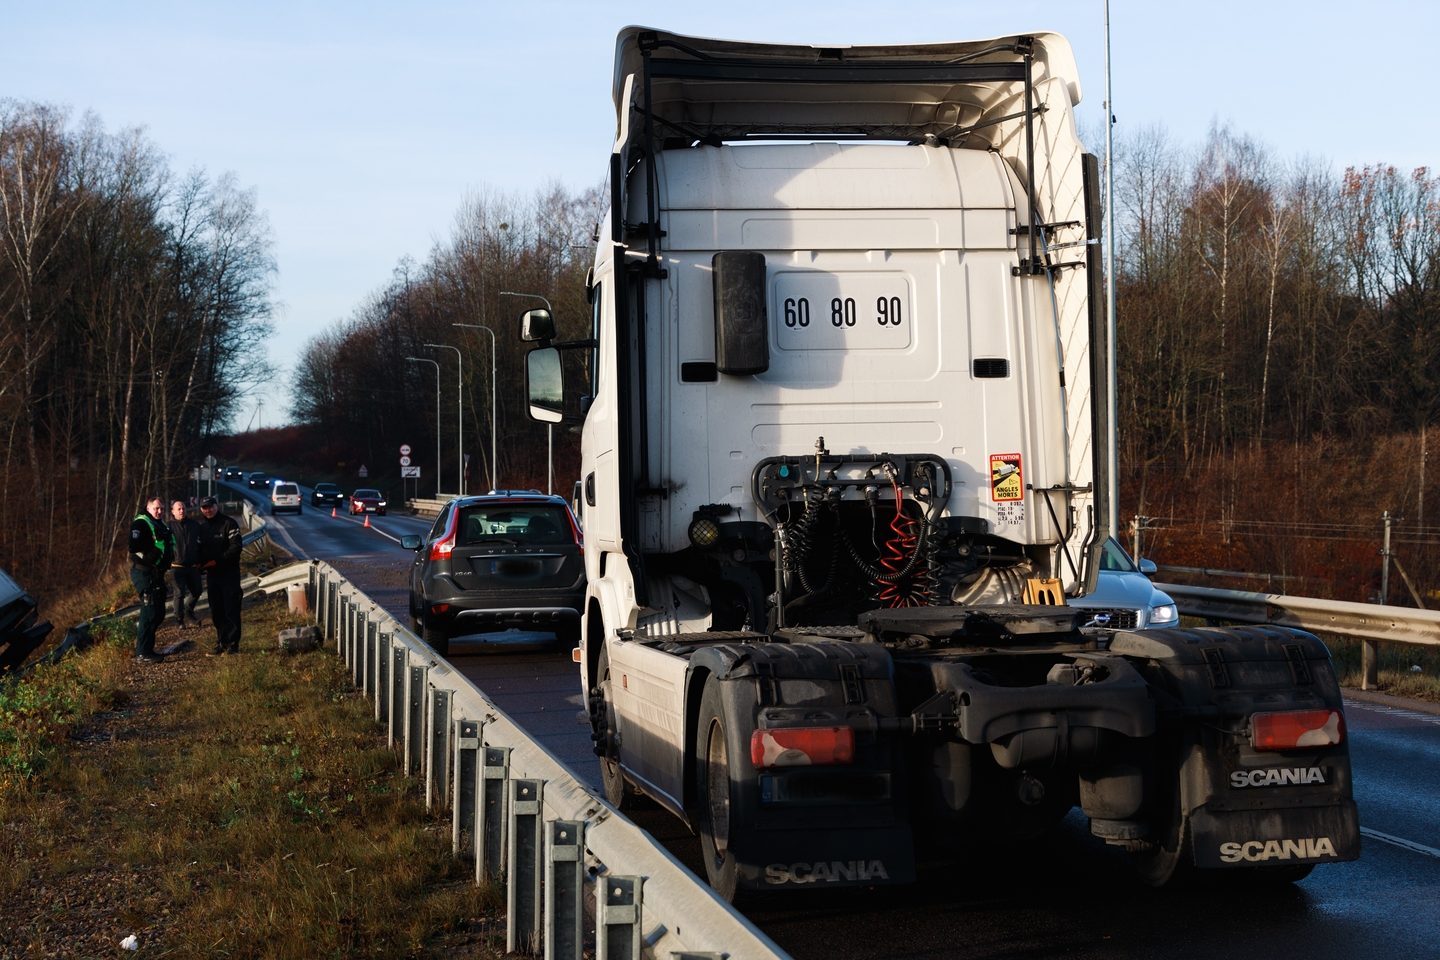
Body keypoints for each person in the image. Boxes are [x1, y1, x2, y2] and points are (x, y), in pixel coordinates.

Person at [129, 497, 175, 663]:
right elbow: (133, 547)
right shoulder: (141, 524)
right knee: (149, 611)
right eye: (156, 508)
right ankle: (142, 653)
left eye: (162, 508)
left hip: (156, 574)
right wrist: (151, 552)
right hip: (143, 572)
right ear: (148, 508)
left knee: (159, 613)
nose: (159, 511)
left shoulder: (160, 524)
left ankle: (147, 647)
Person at [197, 495, 244, 655]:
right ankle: (222, 642)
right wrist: (199, 564)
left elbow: (236, 547)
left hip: (229, 574)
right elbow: (200, 551)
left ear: (216, 506)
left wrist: (217, 561)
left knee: (231, 609)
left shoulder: (229, 523)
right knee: (216, 611)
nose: (208, 510)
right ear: (201, 510)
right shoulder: (203, 528)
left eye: (210, 506)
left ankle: (233, 645)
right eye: (204, 508)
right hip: (212, 576)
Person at [167, 500, 203, 629]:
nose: (182, 511)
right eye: (179, 509)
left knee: (198, 590)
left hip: (193, 566)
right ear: (173, 512)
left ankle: (188, 611)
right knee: (179, 593)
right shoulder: (168, 526)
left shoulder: (194, 524)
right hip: (176, 566)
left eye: (183, 508)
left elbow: (201, 542)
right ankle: (179, 619)